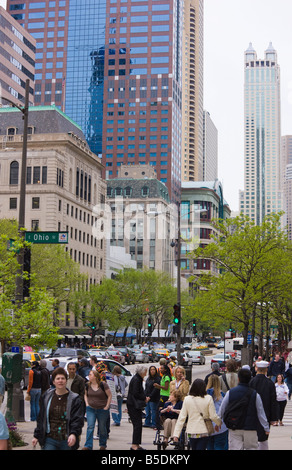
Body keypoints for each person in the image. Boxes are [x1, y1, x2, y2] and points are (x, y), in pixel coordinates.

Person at [32, 367, 84, 450]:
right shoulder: (46, 396)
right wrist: (36, 436)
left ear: (66, 381)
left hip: (67, 439)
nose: (60, 381)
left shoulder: (75, 399)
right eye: (58, 378)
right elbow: (41, 418)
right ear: (53, 382)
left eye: (63, 378)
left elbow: (78, 419)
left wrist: (73, 434)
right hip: (49, 439)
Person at [219, 367, 270, 451]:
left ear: (238, 379)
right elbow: (260, 413)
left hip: (234, 425)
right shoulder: (255, 394)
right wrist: (266, 428)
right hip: (250, 427)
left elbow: (222, 408)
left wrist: (218, 421)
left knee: (235, 448)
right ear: (250, 379)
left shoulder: (230, 393)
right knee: (251, 448)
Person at [173, 378, 222, 450]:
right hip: (204, 430)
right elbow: (213, 416)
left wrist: (176, 434)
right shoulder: (208, 398)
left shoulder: (187, 399)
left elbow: (182, 418)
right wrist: (219, 423)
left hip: (192, 430)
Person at [249, 360, 278, 450]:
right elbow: (273, 401)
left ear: (256, 369)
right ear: (266, 369)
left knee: (252, 437)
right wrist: (274, 418)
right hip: (266, 413)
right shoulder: (270, 383)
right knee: (263, 438)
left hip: (252, 414)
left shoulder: (251, 382)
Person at [82, 369, 112, 450]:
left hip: (102, 409)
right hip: (91, 409)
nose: (89, 376)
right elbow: (85, 394)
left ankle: (102, 444)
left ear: (95, 376)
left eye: (90, 374)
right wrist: (87, 404)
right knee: (90, 426)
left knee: (102, 427)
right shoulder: (87, 385)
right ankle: (88, 445)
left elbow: (109, 395)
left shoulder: (103, 385)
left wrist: (107, 406)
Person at [126, 364, 148, 450]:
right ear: (141, 372)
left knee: (138, 425)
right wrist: (144, 398)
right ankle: (134, 445)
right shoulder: (136, 380)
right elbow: (135, 393)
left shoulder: (138, 378)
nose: (146, 374)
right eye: (145, 372)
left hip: (134, 405)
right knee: (137, 425)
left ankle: (137, 444)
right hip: (133, 405)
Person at [206, 374, 228, 450]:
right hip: (221, 426)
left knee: (209, 446)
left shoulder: (204, 395)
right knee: (220, 445)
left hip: (208, 426)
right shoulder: (222, 395)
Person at [153, 363, 172, 430]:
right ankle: (160, 423)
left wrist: (159, 386)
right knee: (160, 409)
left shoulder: (167, 377)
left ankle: (158, 425)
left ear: (166, 370)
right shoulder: (163, 377)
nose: (160, 370)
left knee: (158, 409)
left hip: (165, 396)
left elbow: (166, 387)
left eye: (162, 369)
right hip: (162, 395)